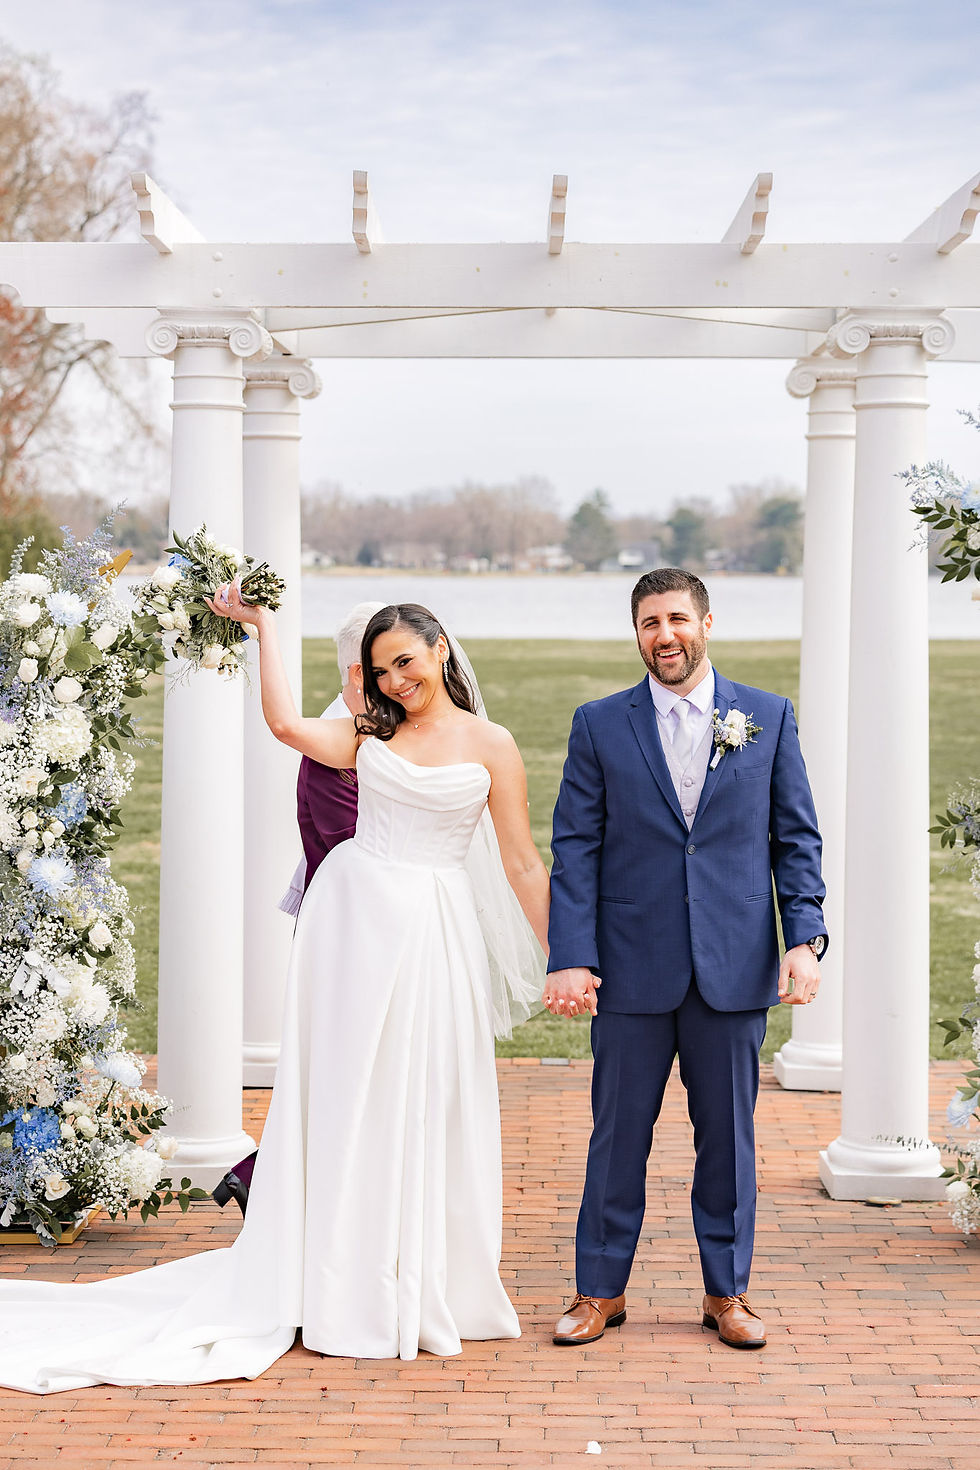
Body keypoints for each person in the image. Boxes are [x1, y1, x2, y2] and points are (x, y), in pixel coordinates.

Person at [0, 598, 548, 1391]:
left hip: (436, 930)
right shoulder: (370, 732)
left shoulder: (492, 745)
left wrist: (566, 953)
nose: (398, 679)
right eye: (382, 667)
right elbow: (289, 726)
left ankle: (422, 1273)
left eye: (408, 660)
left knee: (425, 1088)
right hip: (354, 922)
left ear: (440, 648)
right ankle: (337, 1273)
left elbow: (523, 861)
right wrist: (264, 633)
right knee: (348, 1091)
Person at [546, 567, 826, 1351]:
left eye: (676, 619)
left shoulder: (766, 718)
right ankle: (599, 1291)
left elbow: (795, 839)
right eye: (648, 624)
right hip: (631, 966)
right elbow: (577, 846)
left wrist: (803, 938)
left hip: (734, 967)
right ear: (636, 635)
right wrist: (571, 955)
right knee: (616, 1138)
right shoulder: (600, 724)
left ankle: (726, 1293)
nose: (663, 636)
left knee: (729, 1140)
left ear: (708, 623)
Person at [214, 600, 385, 1215]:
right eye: (389, 664)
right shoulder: (333, 746)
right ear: (358, 671)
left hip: (372, 924)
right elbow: (352, 852)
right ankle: (264, 1177)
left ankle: (270, 1177)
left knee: (354, 1071)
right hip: (346, 930)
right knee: (338, 1070)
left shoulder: (385, 734)